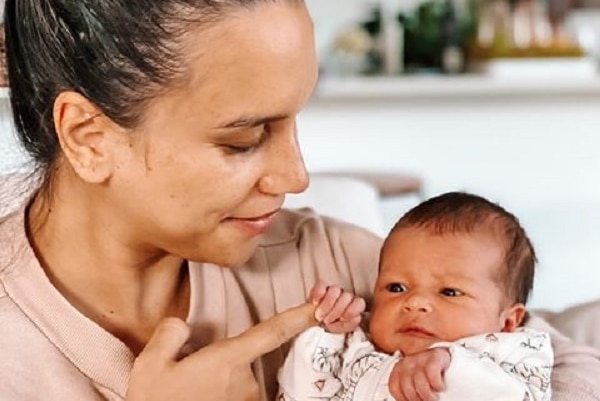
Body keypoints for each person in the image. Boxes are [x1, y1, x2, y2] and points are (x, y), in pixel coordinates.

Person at [0, 1, 599, 400]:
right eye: (245, 139)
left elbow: (559, 366)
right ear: (89, 137)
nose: (297, 175)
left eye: (294, 122)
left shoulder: (332, 263)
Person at [278, 192, 553, 401]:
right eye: (396, 287)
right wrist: (325, 334)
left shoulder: (515, 352)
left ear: (507, 321)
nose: (415, 302)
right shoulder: (354, 349)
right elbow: (298, 393)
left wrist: (452, 365)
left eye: (449, 292)